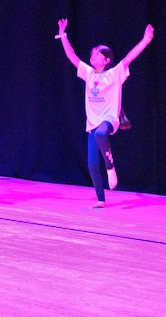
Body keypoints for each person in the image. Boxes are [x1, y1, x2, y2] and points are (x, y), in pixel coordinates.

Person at [56, 19, 154, 208]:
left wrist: (145, 40)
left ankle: (110, 167)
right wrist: (63, 34)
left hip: (109, 120)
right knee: (92, 164)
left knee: (102, 134)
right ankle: (101, 198)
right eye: (91, 55)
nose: (92, 57)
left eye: (96, 55)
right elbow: (72, 56)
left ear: (106, 60)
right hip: (92, 123)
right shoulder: (88, 73)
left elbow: (129, 57)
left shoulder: (115, 74)